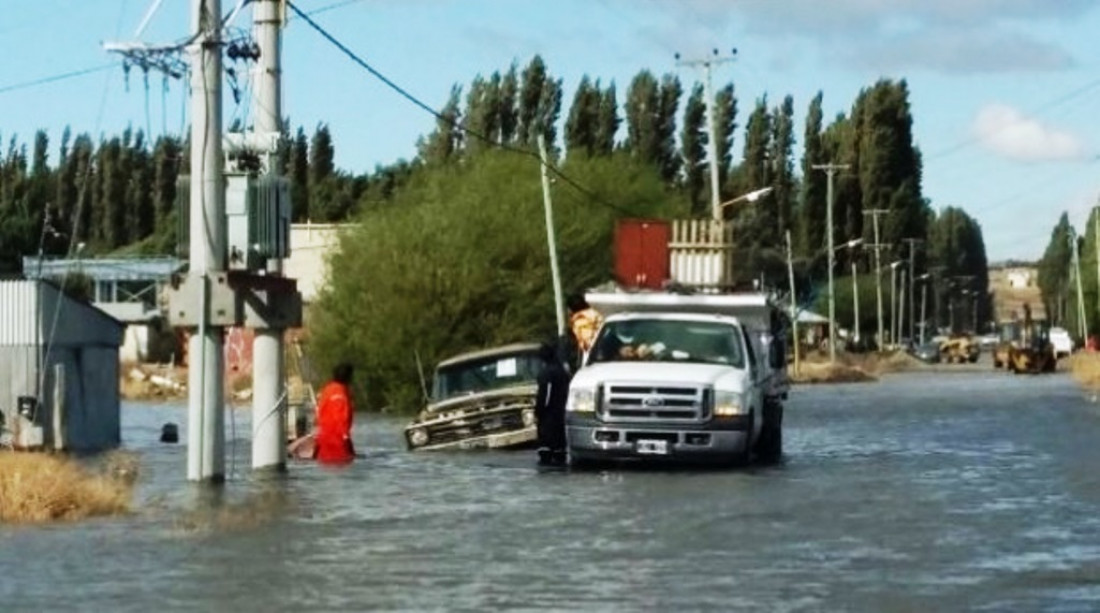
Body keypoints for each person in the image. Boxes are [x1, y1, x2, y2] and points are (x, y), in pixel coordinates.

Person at [535, 342, 570, 466]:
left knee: (546, 448)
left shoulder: (546, 373)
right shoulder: (563, 371)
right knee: (560, 447)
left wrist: (539, 410)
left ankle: (547, 456)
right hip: (562, 413)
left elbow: (545, 396)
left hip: (549, 414)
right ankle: (560, 454)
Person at [313, 362, 357, 464]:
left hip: (323, 439)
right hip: (337, 442)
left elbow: (319, 414)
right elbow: (341, 418)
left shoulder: (327, 389)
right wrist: (346, 440)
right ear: (348, 377)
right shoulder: (340, 393)